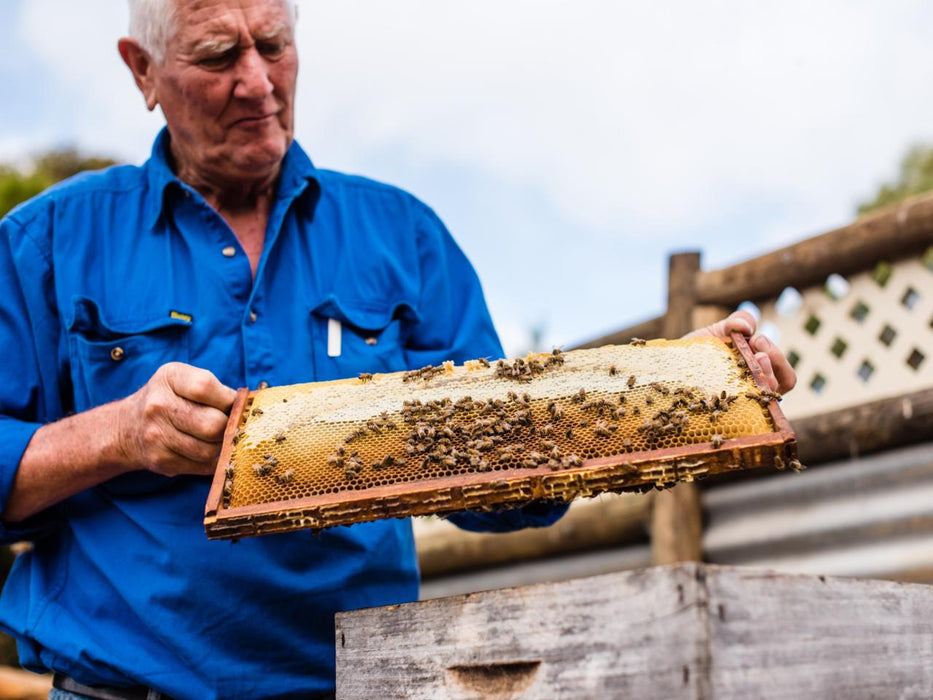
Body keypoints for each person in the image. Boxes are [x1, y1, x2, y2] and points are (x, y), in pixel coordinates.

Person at [0, 1, 796, 698]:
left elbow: (508, 458)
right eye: (217, 56)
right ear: (143, 71)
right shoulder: (48, 243)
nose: (256, 81)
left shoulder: (401, 234)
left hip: (369, 686)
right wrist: (118, 433)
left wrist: (676, 384)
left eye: (273, 45)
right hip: (119, 691)